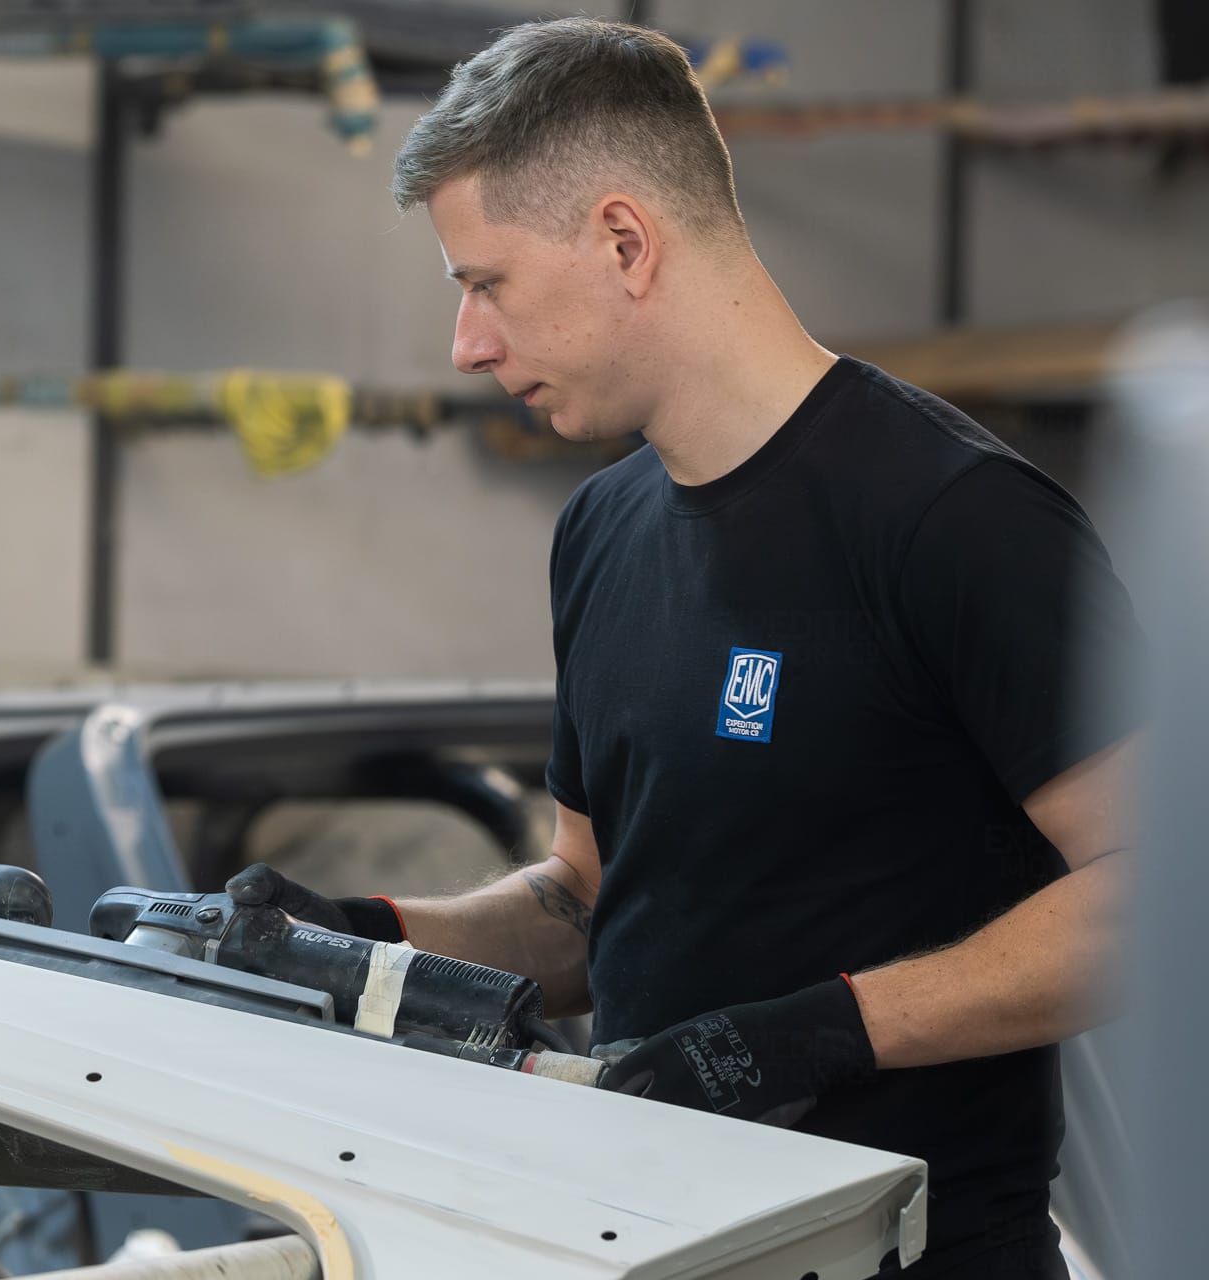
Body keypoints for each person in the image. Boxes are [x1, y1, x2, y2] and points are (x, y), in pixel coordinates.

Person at [228, 17, 1140, 1280]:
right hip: (647, 1245)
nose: (467, 345)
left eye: (486, 283)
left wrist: (827, 1030)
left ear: (623, 241)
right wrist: (356, 933)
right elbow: (588, 901)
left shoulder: (955, 518)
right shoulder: (601, 530)